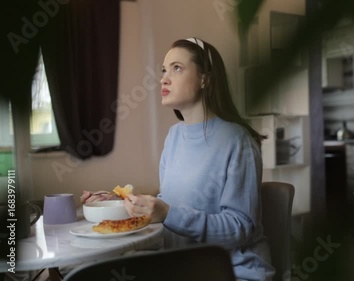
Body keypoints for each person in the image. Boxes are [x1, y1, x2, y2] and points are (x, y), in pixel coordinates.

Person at [82, 37, 275, 281]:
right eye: (164, 70)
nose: (163, 78)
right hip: (180, 267)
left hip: (233, 272)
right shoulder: (174, 136)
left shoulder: (238, 140)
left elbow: (239, 229)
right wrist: (120, 202)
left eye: (177, 68)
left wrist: (167, 213)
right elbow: (169, 203)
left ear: (205, 78)